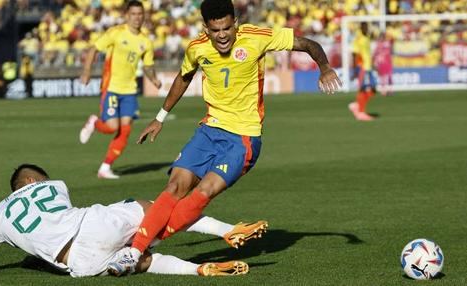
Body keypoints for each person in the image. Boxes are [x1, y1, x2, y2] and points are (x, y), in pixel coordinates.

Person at [108, 0, 341, 273]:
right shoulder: (196, 48)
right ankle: (134, 252)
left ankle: (147, 240)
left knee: (203, 191)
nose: (222, 35)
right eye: (215, 29)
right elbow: (184, 77)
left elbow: (308, 44)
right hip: (208, 130)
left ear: (236, 24)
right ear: (206, 28)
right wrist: (159, 117)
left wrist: (324, 68)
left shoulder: (256, 37)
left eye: (227, 28)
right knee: (174, 186)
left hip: (243, 138)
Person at [0, 164, 266, 277]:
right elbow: (59, 220)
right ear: (32, 181)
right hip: (92, 225)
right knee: (152, 207)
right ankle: (227, 230)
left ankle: (198, 270)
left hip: (80, 265)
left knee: (142, 260)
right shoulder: (53, 185)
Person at [79, 0, 162, 179]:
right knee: (111, 127)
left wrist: (153, 79)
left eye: (140, 14)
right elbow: (94, 49)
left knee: (125, 131)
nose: (137, 18)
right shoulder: (116, 33)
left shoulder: (146, 42)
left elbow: (147, 66)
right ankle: (94, 122)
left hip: (130, 91)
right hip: (112, 88)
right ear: (127, 15)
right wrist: (86, 71)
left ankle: (105, 167)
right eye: (133, 14)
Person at [348, 22, 376, 121]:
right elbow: (354, 54)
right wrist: (355, 69)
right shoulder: (359, 39)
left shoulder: (366, 37)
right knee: (364, 89)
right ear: (361, 28)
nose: (367, 29)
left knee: (372, 90)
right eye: (365, 27)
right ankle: (361, 112)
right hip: (362, 67)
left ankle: (356, 105)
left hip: (368, 67)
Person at [373, 32, 393, 97]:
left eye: (383, 37)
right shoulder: (378, 45)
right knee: (382, 78)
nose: (381, 38)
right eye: (380, 37)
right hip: (381, 63)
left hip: (387, 63)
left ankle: (390, 90)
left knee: (389, 77)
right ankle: (383, 91)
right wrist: (375, 63)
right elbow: (375, 54)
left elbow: (389, 51)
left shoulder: (387, 44)